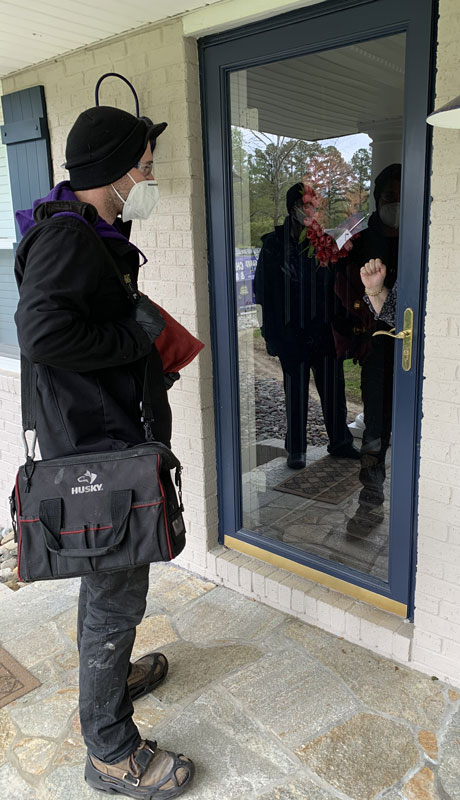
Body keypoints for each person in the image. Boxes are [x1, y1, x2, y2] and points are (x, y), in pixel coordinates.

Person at [14, 106, 194, 798]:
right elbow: (42, 335)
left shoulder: (91, 232)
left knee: (110, 581)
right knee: (117, 591)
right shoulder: (69, 240)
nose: (150, 177)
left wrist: (145, 360)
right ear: (116, 173)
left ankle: (110, 680)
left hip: (109, 435)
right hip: (97, 451)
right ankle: (111, 752)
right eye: (145, 167)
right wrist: (135, 344)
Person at [254, 183, 359, 470]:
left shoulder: (323, 241)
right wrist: (270, 335)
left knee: (333, 389)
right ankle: (296, 449)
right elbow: (262, 292)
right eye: (307, 206)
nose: (312, 212)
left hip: (324, 330)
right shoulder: (273, 245)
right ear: (293, 209)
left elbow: (338, 286)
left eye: (314, 206)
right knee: (296, 392)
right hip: (291, 332)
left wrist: (344, 327)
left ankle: (340, 441)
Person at [332, 164, 401, 536]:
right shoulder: (358, 241)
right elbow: (341, 290)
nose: (398, 205)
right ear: (378, 199)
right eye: (391, 198)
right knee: (375, 434)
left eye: (404, 198)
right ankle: (370, 506)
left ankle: (412, 506)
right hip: (377, 350)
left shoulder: (423, 231)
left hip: (418, 353)